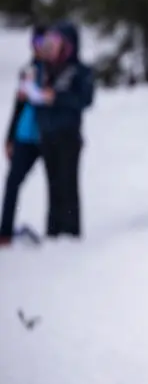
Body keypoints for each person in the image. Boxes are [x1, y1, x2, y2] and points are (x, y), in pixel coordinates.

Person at [31, 21, 94, 239]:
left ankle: (71, 230)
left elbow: (85, 100)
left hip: (68, 135)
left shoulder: (80, 71)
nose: (52, 46)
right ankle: (53, 229)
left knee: (68, 183)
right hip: (47, 134)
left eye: (57, 42)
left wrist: (57, 98)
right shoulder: (45, 69)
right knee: (52, 184)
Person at [1, 26, 47, 246]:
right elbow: (18, 105)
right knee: (12, 183)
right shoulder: (28, 69)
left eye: (43, 42)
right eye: (36, 42)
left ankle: (57, 233)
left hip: (47, 136)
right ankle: (5, 232)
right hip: (24, 135)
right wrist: (9, 137)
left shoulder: (57, 69)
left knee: (55, 185)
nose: (39, 47)